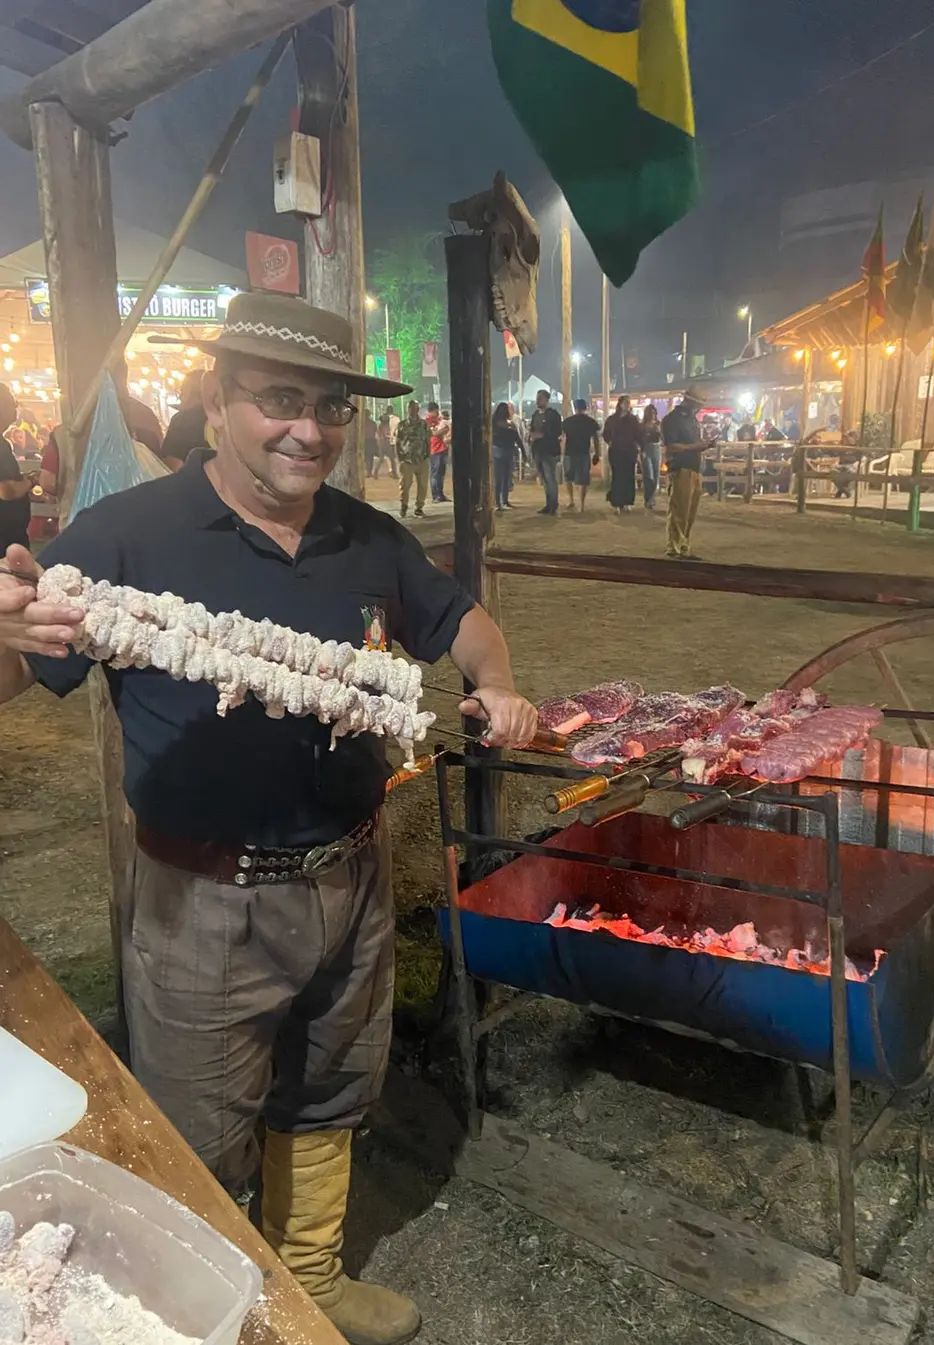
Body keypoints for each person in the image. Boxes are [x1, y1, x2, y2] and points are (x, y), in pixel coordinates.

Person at [0, 292, 538, 1345]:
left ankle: (312, 1283)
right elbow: (15, 673)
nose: (309, 429)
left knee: (332, 1089)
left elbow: (461, 617)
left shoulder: (366, 536)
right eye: (279, 400)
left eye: (330, 406)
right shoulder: (128, 535)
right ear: (216, 399)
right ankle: (215, 1315)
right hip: (205, 896)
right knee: (197, 1131)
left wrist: (499, 678)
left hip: (351, 874)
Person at [661, 390, 708, 559]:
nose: (699, 408)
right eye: (699, 404)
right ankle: (674, 547)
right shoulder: (672, 420)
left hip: (694, 467)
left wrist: (702, 445)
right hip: (681, 467)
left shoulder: (691, 420)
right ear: (690, 402)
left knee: (690, 512)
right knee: (679, 509)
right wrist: (698, 446)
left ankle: (683, 546)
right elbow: (672, 446)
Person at [0, 384, 34, 554]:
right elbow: (6, 490)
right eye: (13, 403)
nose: (15, 409)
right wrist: (30, 481)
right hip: (5, 536)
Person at [160, 370, 211, 471]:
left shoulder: (180, 421)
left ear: (197, 394)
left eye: (183, 391)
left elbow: (173, 466)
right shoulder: (227, 418)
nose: (179, 397)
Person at [603, 395, 644, 513]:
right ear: (620, 404)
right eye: (625, 403)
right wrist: (609, 441)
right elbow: (606, 433)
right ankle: (616, 502)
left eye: (628, 403)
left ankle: (627, 502)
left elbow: (639, 434)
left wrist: (639, 447)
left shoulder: (633, 419)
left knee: (629, 476)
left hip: (629, 451)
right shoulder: (612, 419)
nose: (627, 405)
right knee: (617, 476)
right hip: (615, 451)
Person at [561, 397, 600, 513]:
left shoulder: (567, 422)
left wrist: (561, 452)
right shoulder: (591, 422)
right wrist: (597, 453)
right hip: (584, 453)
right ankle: (582, 505)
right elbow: (596, 438)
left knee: (569, 478)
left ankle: (571, 500)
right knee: (583, 480)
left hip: (570, 452)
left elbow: (563, 438)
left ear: (575, 408)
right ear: (585, 408)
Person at [395, 398, 430, 518]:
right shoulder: (402, 425)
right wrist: (399, 458)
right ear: (407, 410)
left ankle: (419, 507)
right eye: (410, 408)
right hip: (407, 460)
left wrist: (428, 454)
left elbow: (427, 440)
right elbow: (398, 442)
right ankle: (403, 506)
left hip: (422, 459)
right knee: (405, 485)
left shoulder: (424, 424)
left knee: (423, 485)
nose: (413, 411)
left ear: (418, 410)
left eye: (415, 408)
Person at [529, 389, 562, 515]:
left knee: (550, 478)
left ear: (547, 400)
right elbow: (532, 429)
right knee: (544, 479)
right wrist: (531, 436)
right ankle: (548, 504)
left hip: (549, 451)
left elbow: (557, 432)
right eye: (537, 398)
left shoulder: (553, 415)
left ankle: (553, 504)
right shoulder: (535, 415)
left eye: (540, 398)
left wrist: (542, 435)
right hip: (538, 451)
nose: (538, 401)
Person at [492, 401, 524, 511]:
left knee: (497, 478)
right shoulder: (510, 426)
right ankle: (504, 501)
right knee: (506, 478)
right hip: (508, 452)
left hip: (495, 452)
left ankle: (497, 503)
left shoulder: (492, 425)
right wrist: (524, 454)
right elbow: (518, 440)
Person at [426, 402, 451, 503]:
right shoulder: (427, 421)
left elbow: (446, 430)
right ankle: (435, 495)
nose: (436, 413)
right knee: (434, 473)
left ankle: (441, 494)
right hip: (434, 449)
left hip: (443, 448)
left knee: (441, 473)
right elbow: (434, 434)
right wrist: (443, 431)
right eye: (435, 411)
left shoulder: (440, 419)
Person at [640, 404, 663, 509]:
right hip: (646, 449)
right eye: (650, 413)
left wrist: (659, 431)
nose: (652, 415)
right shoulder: (642, 425)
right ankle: (648, 498)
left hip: (656, 448)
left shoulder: (658, 424)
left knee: (656, 474)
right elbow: (639, 440)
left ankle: (651, 499)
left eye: (654, 413)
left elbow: (663, 437)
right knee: (648, 475)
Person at [361, 406, 380, 480]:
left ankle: (368, 471)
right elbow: (376, 432)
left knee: (366, 457)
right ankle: (369, 471)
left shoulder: (361, 423)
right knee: (370, 457)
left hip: (365, 441)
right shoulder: (373, 423)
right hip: (371, 441)